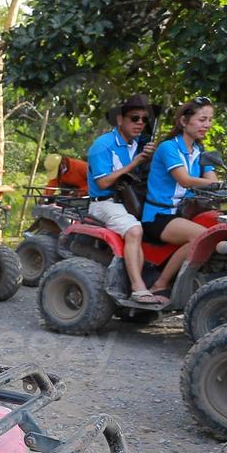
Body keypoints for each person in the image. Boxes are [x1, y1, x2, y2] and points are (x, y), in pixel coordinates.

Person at [140, 97, 227, 298]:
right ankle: (160, 285)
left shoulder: (200, 151)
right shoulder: (169, 148)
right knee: (200, 236)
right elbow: (185, 180)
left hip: (185, 212)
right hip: (160, 215)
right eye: (202, 119)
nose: (207, 125)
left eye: (210, 120)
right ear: (184, 121)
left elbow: (212, 182)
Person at [85, 94, 161, 303]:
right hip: (105, 203)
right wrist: (135, 162)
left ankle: (158, 282)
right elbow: (102, 183)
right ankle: (137, 288)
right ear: (120, 119)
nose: (140, 123)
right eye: (134, 118)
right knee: (134, 230)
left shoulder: (136, 144)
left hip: (130, 201)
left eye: (144, 120)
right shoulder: (102, 145)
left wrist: (149, 157)